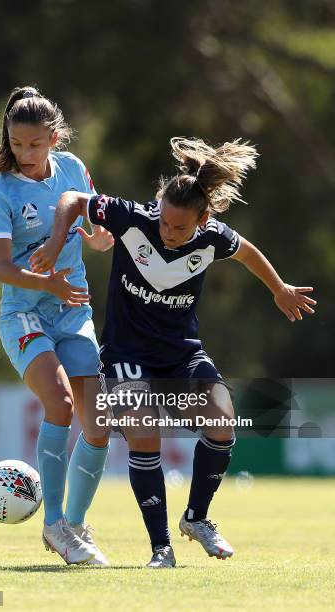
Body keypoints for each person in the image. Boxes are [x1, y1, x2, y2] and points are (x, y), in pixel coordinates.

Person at [30, 136, 316, 568]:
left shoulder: (213, 238)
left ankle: (197, 519)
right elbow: (72, 198)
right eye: (164, 221)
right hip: (126, 353)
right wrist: (54, 244)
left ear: (203, 222)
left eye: (179, 227)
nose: (167, 232)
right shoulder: (133, 218)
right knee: (145, 432)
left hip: (181, 354)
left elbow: (247, 252)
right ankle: (161, 549)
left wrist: (279, 288)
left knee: (222, 422)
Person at [0, 86, 114, 566]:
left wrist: (98, 239)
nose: (24, 154)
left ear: (53, 137)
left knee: (99, 425)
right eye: (15, 143)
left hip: (73, 312)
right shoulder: (1, 190)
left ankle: (72, 523)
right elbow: (3, 270)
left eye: (33, 144)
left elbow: (94, 230)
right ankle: (54, 525)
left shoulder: (72, 169)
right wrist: (49, 284)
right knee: (60, 402)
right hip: (24, 314)